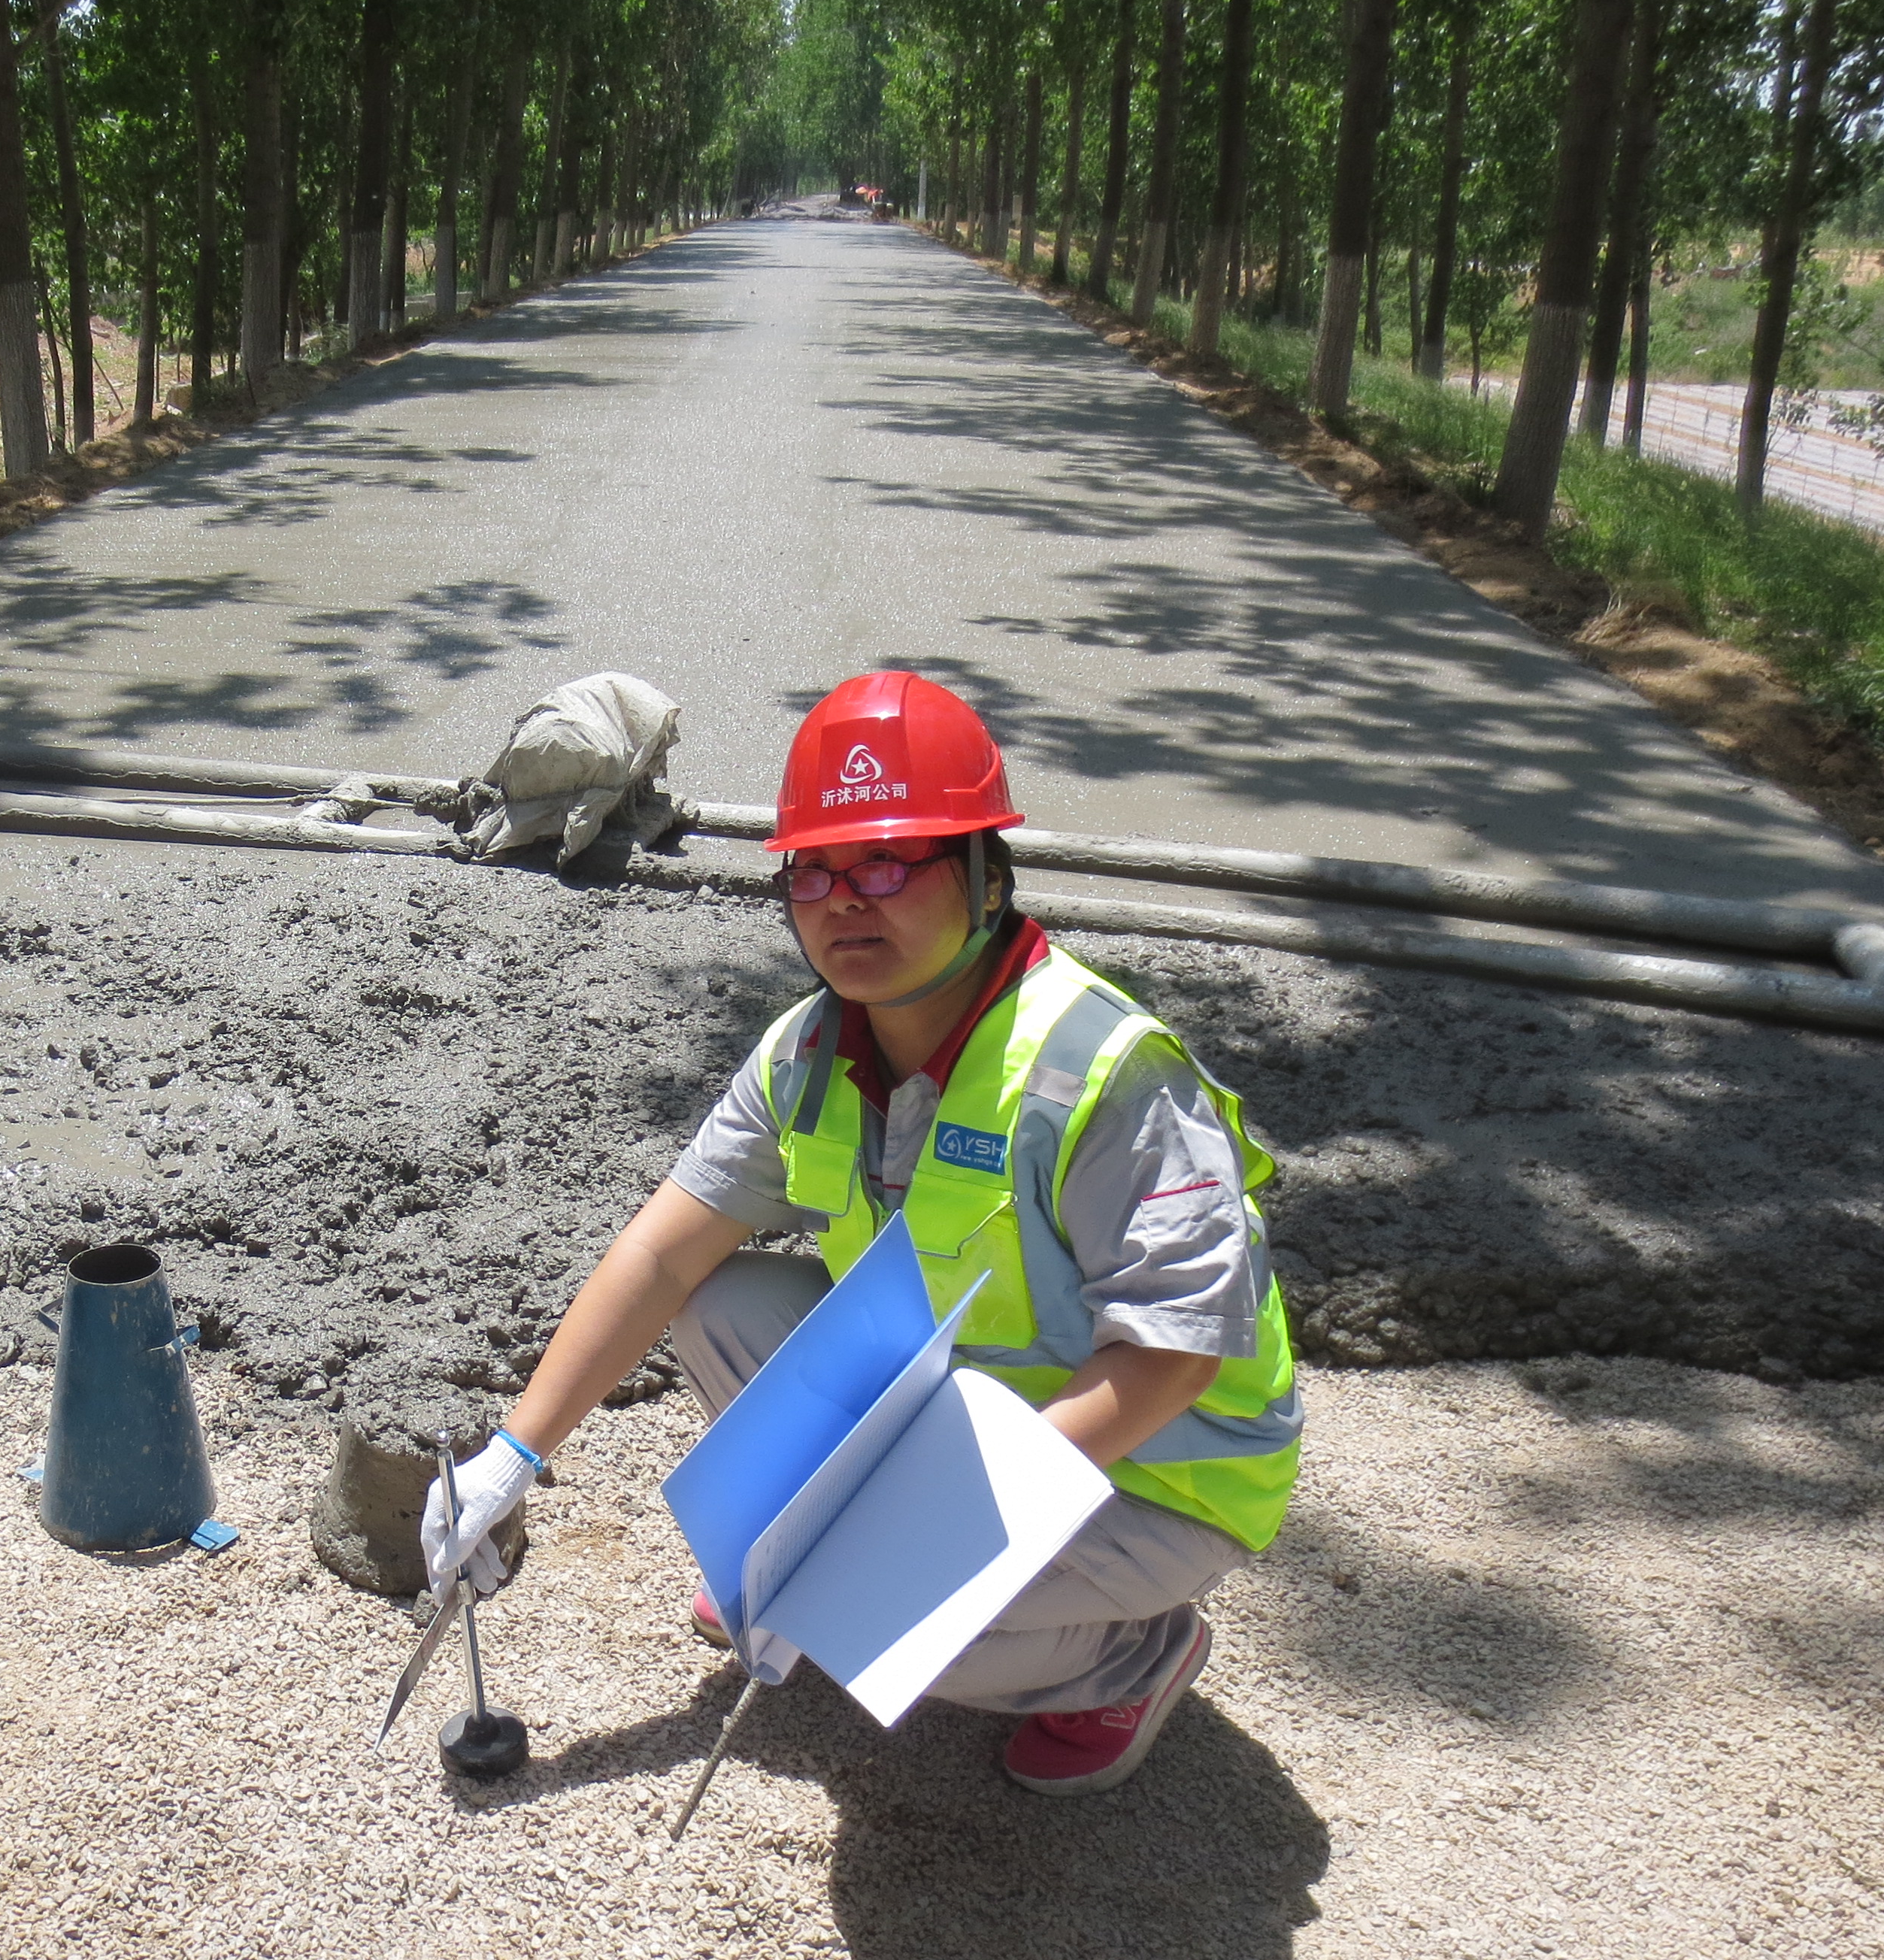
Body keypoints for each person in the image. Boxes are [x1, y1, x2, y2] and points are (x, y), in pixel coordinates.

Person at [424, 672, 1301, 1794]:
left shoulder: (1104, 1073)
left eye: (889, 865)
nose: (847, 902)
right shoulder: (808, 1048)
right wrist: (514, 1453)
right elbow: (662, 1254)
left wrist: (916, 1528)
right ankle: (830, 1572)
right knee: (720, 1297)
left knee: (882, 1623)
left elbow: (1177, 1356)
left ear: (987, 881)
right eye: (817, 872)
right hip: (953, 1402)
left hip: (1161, 1472)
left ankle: (1130, 1654)